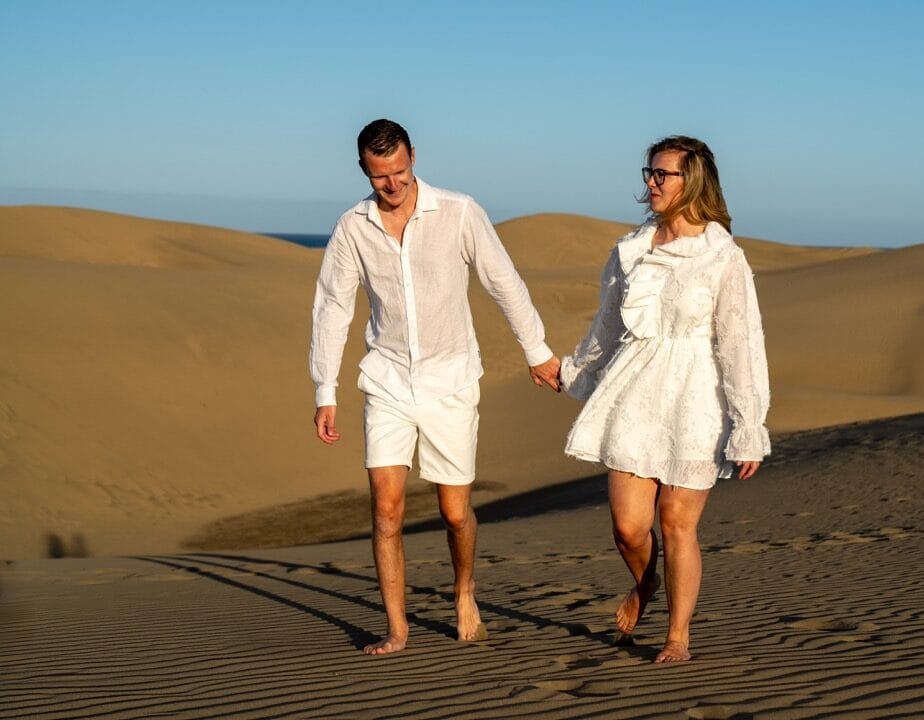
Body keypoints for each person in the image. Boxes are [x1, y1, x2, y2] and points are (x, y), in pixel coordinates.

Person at [310, 119, 562, 655]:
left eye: (400, 171)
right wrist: (324, 390)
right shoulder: (352, 227)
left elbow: (502, 281)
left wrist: (537, 351)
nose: (393, 185)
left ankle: (464, 590)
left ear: (414, 158)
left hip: (450, 379)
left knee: (453, 512)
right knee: (387, 507)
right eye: (380, 177)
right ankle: (397, 629)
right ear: (364, 171)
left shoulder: (459, 212)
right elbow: (333, 308)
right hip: (387, 380)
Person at [560, 136, 770, 663]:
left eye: (661, 175)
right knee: (629, 528)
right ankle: (646, 583)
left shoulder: (723, 257)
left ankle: (678, 636)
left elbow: (740, 343)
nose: (650, 183)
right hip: (634, 391)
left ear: (692, 181)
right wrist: (572, 371)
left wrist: (749, 426)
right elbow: (607, 325)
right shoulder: (630, 249)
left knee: (677, 522)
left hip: (697, 396)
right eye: (649, 173)